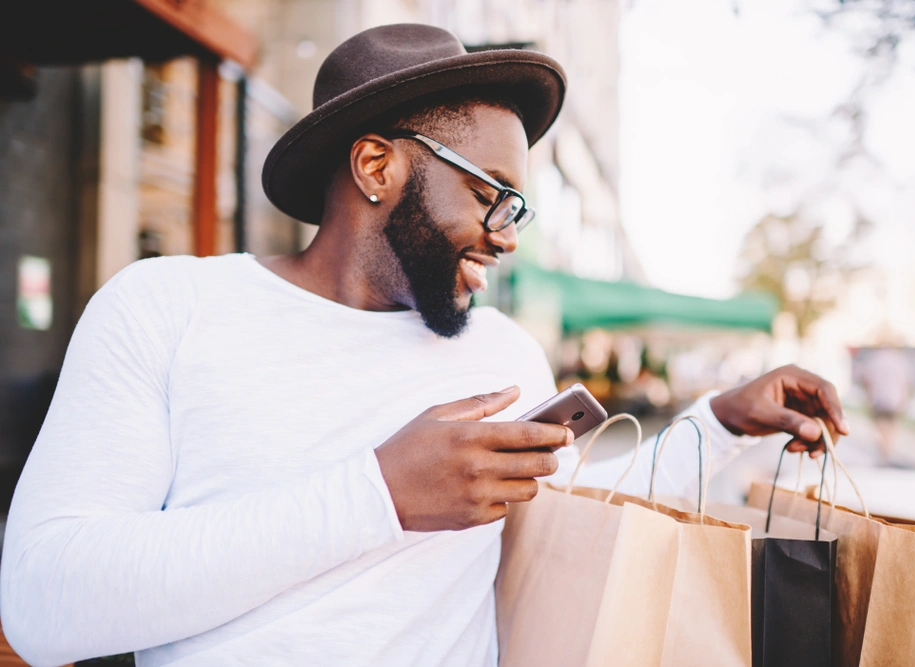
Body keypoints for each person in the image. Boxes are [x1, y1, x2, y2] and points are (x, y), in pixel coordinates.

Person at [0, 24, 850, 667]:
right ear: (377, 166)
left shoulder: (505, 355)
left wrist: (723, 423)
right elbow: (43, 602)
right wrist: (381, 491)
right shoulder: (166, 309)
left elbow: (578, 519)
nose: (506, 235)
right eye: (493, 195)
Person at [859, 346, 912, 464]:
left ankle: (884, 451)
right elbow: (906, 382)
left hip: (877, 399)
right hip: (894, 399)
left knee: (880, 427)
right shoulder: (899, 361)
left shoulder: (873, 360)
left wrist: (868, 397)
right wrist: (904, 400)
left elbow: (867, 381)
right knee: (891, 427)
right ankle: (887, 451)